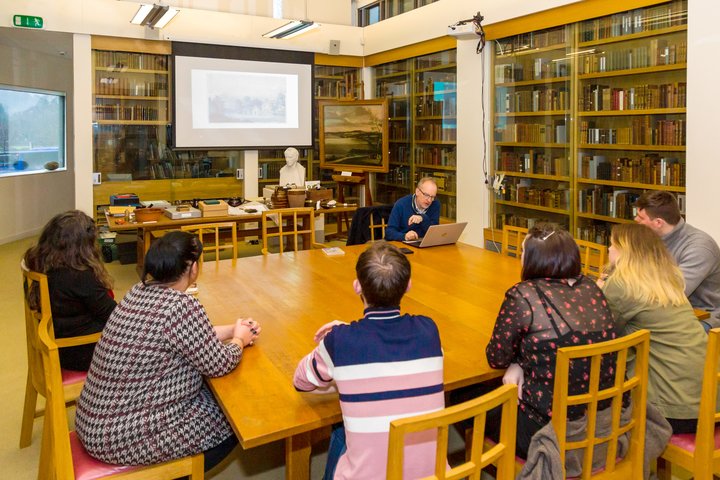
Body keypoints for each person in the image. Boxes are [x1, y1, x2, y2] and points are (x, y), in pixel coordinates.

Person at [75, 231, 261, 471]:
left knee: (213, 394)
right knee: (237, 417)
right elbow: (219, 363)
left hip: (95, 419)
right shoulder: (181, 306)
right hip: (122, 438)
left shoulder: (137, 292)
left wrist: (232, 329)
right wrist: (239, 340)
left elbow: (182, 337)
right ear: (193, 268)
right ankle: (177, 473)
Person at [293, 241, 444, 479]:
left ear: (357, 287)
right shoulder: (429, 330)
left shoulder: (340, 342)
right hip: (432, 475)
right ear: (408, 287)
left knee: (342, 430)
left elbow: (301, 382)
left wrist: (336, 337)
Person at [485, 223, 618, 458]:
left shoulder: (523, 295)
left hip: (549, 431)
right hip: (605, 421)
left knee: (467, 402)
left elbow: (496, 357)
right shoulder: (591, 287)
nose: (521, 257)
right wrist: (520, 362)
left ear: (534, 258)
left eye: (524, 252)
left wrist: (517, 362)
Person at [601, 223, 706, 433]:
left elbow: (602, 333)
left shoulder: (621, 285)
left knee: (600, 375)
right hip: (707, 402)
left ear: (624, 252)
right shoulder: (667, 281)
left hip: (670, 410)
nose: (608, 250)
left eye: (612, 245)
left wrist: (599, 291)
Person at [23, 210, 116, 371]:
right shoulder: (80, 277)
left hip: (56, 344)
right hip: (81, 351)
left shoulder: (38, 264)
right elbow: (114, 316)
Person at [634, 190, 720, 329]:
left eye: (640, 217)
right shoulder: (650, 237)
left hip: (704, 318)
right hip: (668, 311)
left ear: (658, 222)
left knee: (637, 333)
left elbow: (672, 293)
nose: (636, 220)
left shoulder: (699, 247)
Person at [384, 177, 440, 242]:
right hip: (402, 244)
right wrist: (404, 236)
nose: (429, 200)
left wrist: (423, 218)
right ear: (417, 191)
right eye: (426, 195)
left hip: (423, 243)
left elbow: (434, 232)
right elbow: (389, 233)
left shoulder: (435, 204)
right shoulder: (401, 204)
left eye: (432, 197)